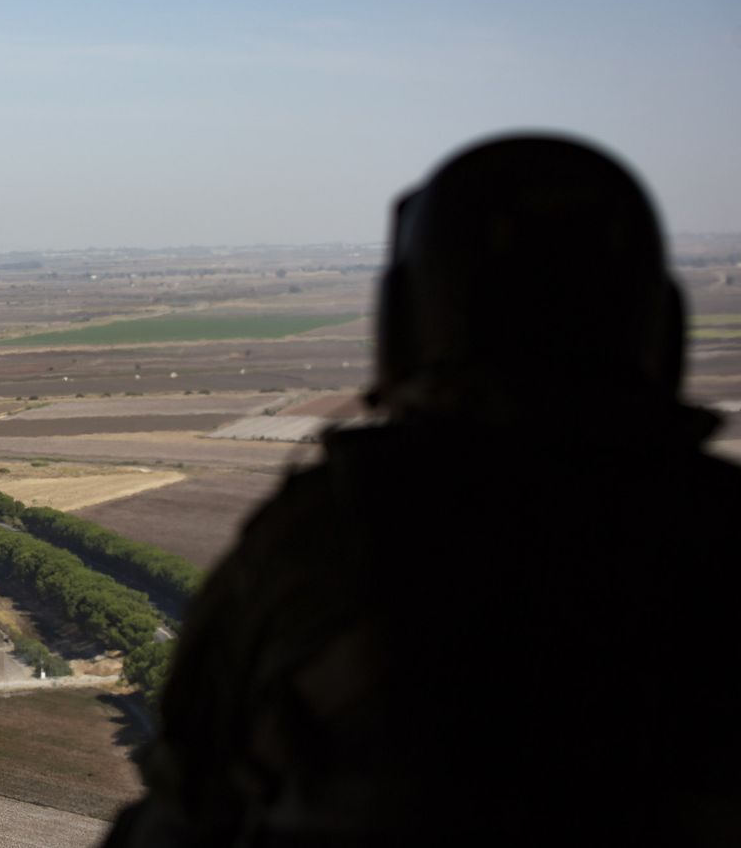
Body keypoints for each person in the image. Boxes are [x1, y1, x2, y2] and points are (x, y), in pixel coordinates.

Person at [104, 134, 741, 847]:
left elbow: (187, 805)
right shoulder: (721, 534)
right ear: (663, 327)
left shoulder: (323, 542)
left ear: (403, 327)